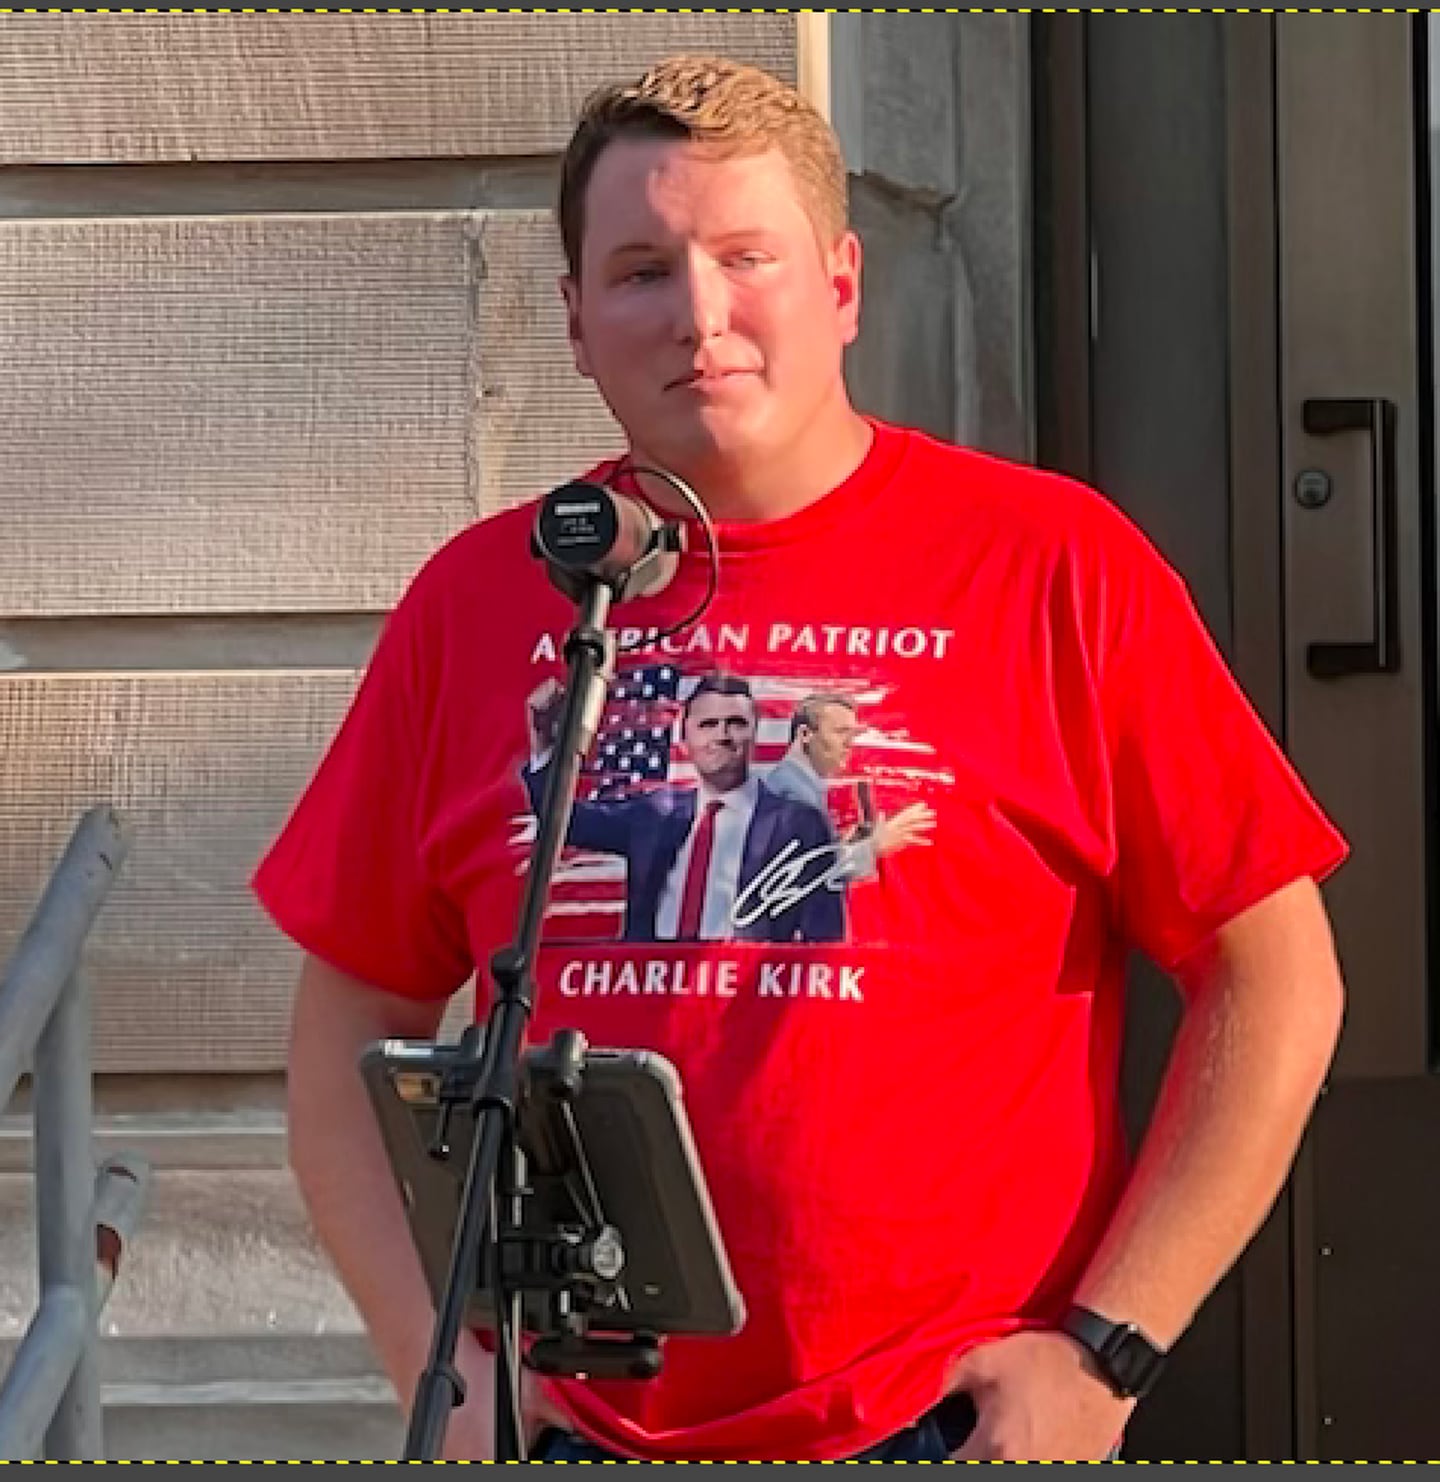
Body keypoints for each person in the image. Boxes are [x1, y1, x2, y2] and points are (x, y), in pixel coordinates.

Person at [253, 55, 1348, 1463]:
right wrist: (438, 1366)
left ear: (840, 285)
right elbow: (347, 1022)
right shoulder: (481, 601)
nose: (699, 316)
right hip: (573, 1424)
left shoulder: (1051, 568)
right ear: (577, 319)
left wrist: (1106, 1347)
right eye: (641, 269)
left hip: (943, 1423)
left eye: (744, 257)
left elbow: (1275, 971)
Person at [523, 671, 844, 943]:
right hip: (647, 991)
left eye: (735, 723)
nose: (721, 735)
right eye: (707, 724)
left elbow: (825, 939)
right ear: (685, 734)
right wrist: (544, 747)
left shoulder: (799, 823)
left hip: (744, 1001)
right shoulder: (655, 813)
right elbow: (567, 822)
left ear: (754, 732)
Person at [763, 690, 936, 881]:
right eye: (840, 732)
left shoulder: (797, 784)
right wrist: (874, 846)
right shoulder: (792, 791)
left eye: (852, 734)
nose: (849, 744)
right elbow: (805, 875)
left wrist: (846, 846)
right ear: (805, 734)